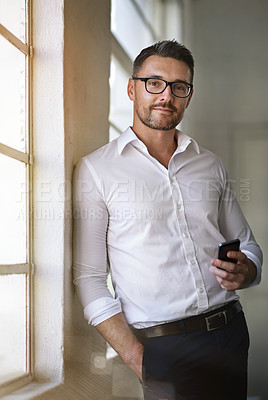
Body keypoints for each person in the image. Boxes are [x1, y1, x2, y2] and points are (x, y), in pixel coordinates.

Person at [73, 40, 263, 400]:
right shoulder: (98, 170)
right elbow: (90, 279)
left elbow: (249, 246)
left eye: (179, 87)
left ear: (188, 96)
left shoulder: (210, 164)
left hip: (230, 334)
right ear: (132, 88)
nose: (166, 96)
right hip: (160, 350)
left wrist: (247, 271)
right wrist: (139, 359)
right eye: (154, 83)